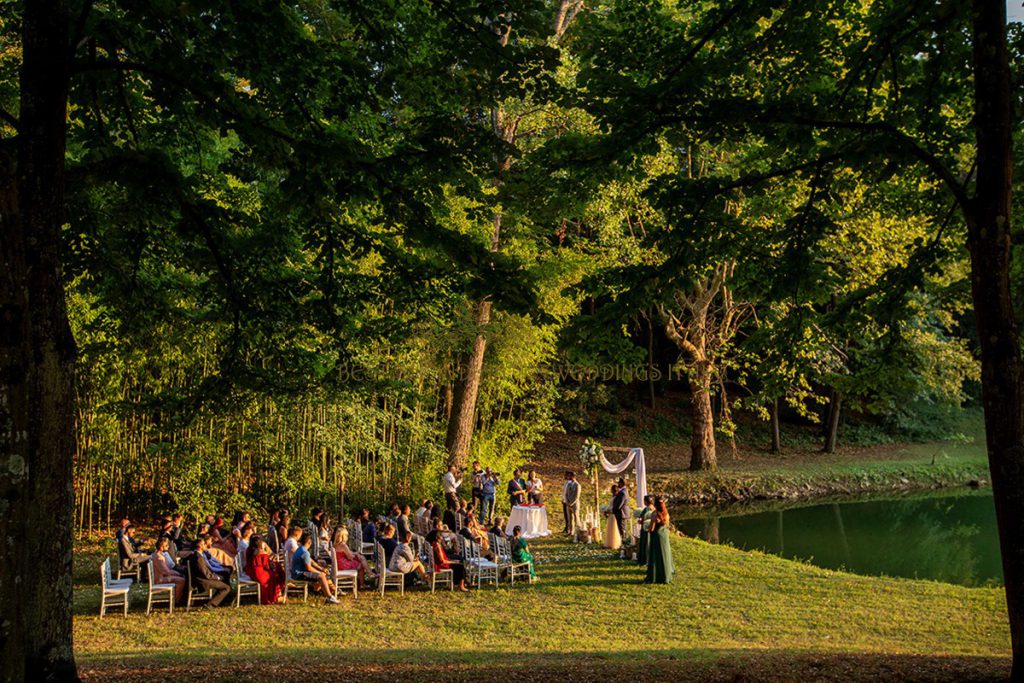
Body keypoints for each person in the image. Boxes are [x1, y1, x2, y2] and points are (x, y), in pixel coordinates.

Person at [292, 532, 339, 603]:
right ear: (309, 542)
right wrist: (320, 572)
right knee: (321, 576)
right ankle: (329, 596)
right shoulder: (305, 552)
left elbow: (312, 562)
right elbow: (309, 568)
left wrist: (322, 569)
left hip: (297, 572)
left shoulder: (300, 549)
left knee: (322, 574)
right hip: (299, 574)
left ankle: (323, 591)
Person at [187, 535, 232, 607]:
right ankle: (210, 604)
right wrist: (217, 577)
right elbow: (206, 574)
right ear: (200, 546)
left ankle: (223, 600)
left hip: (203, 578)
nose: (205, 545)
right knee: (226, 587)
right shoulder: (199, 558)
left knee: (225, 578)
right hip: (202, 581)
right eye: (204, 544)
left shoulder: (197, 555)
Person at [245, 536, 284, 604]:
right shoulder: (261, 552)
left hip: (251, 571)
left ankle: (277, 595)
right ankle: (274, 596)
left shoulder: (250, 549)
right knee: (274, 575)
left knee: (273, 573)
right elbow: (265, 565)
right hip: (259, 573)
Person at [644, 498, 674, 585]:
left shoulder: (655, 514)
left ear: (655, 506)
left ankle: (655, 576)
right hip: (664, 536)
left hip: (656, 536)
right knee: (665, 554)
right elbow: (667, 525)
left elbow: (651, 528)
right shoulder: (666, 514)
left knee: (656, 556)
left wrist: (647, 529)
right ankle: (666, 575)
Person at [150, 536, 187, 605]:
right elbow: (166, 572)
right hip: (160, 579)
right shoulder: (159, 557)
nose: (168, 546)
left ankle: (178, 598)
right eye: (166, 545)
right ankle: (176, 601)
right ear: (161, 547)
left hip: (161, 577)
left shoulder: (159, 554)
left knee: (181, 577)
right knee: (182, 580)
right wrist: (178, 573)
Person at [636, 496, 655, 566]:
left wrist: (641, 521)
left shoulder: (647, 509)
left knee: (645, 543)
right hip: (652, 528)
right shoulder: (654, 508)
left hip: (646, 529)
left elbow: (644, 518)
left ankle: (644, 559)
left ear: (646, 501)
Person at [562, 471, 581, 536]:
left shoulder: (578, 485)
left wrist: (571, 503)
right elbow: (566, 494)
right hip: (568, 503)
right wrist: (567, 502)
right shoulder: (569, 484)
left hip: (574, 504)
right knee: (570, 518)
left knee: (576, 517)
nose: (568, 477)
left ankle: (578, 531)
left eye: (570, 476)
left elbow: (577, 496)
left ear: (573, 477)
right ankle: (571, 532)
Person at [603, 485, 622, 550]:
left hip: (613, 514)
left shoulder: (617, 497)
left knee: (614, 528)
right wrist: (606, 510)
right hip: (611, 513)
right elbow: (610, 505)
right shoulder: (613, 497)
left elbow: (614, 506)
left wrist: (609, 511)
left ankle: (614, 543)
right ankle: (609, 543)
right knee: (610, 529)